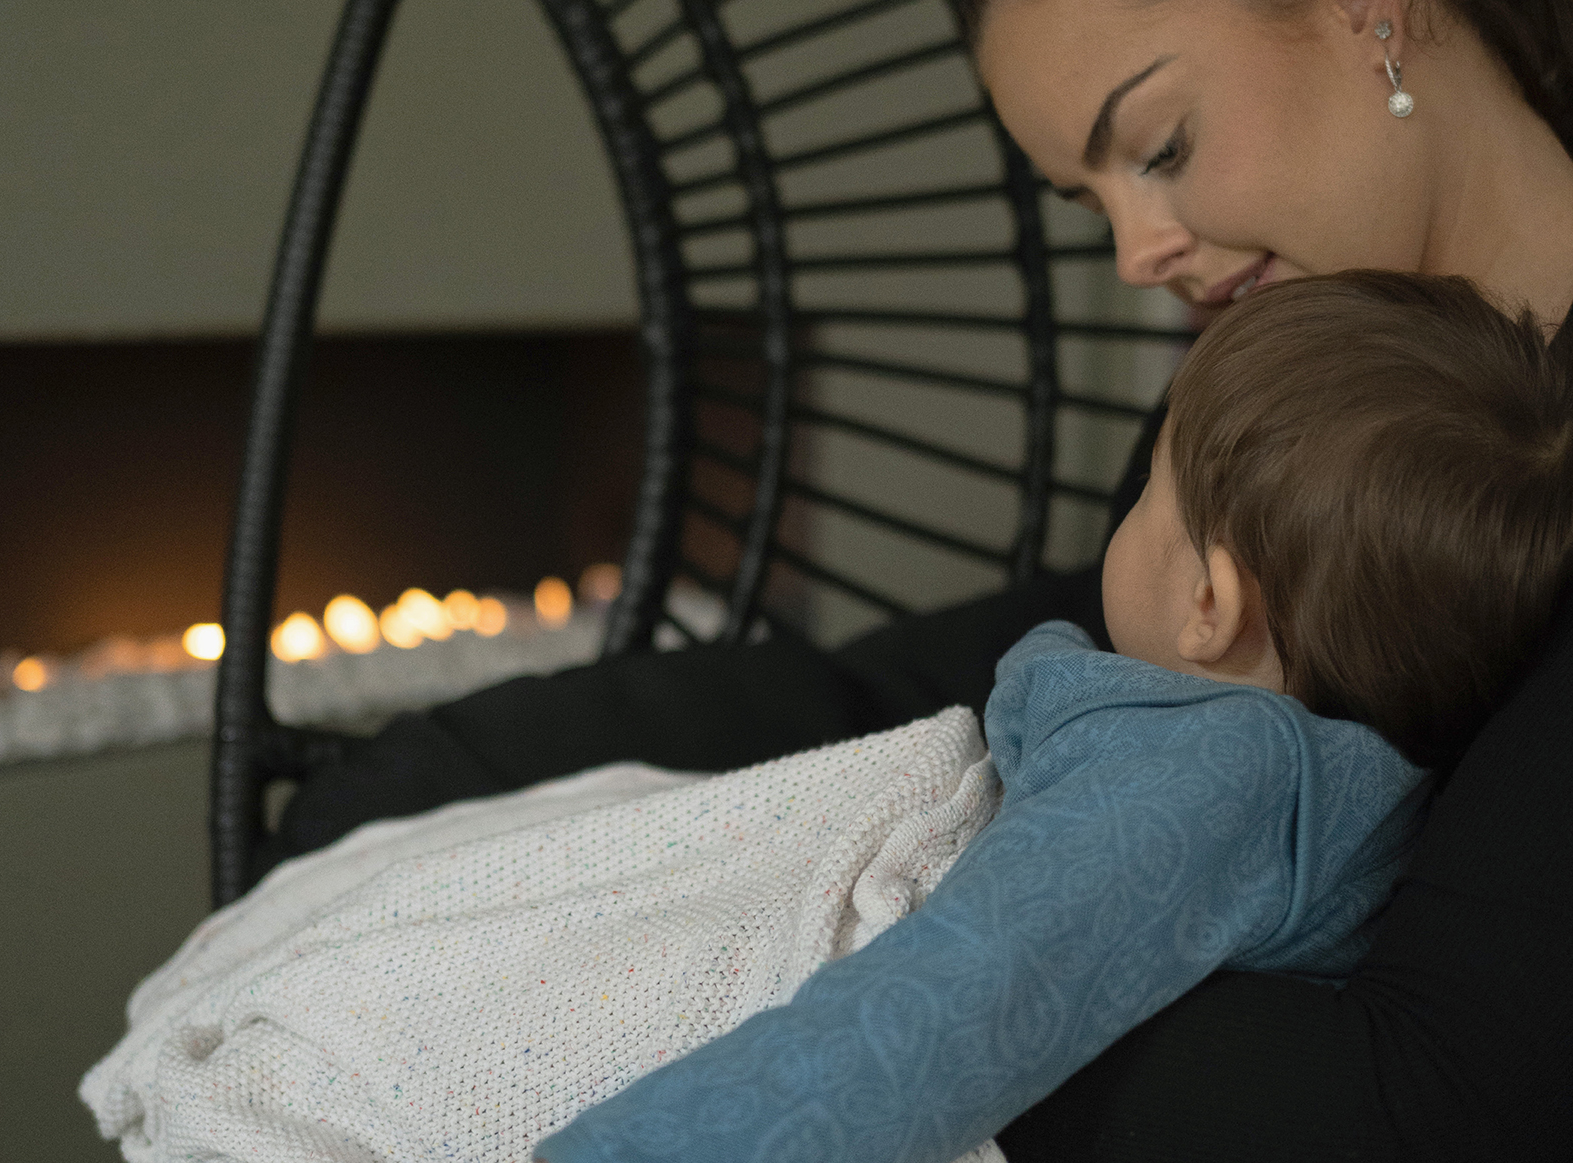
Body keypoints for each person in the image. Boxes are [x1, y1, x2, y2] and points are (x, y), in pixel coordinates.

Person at [266, 0, 1573, 1156]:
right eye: (1088, 200)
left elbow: (1410, 1111)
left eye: (1162, 144)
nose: (1136, 256)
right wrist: (454, 761)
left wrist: (910, 955)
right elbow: (1015, 668)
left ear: (1369, 10)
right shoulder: (1293, 375)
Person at [528, 270, 1572, 1163]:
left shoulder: (1194, 784)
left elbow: (935, 1014)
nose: (1129, 510)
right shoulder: (1314, 777)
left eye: (1153, 487)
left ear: (1210, 605)